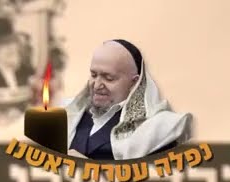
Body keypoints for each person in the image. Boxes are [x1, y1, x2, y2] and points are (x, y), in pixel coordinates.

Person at [62, 39, 192, 160]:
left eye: (108, 78)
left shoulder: (157, 131)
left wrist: (87, 169)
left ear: (134, 82)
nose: (96, 85)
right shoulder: (68, 115)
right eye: (94, 75)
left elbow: (157, 174)